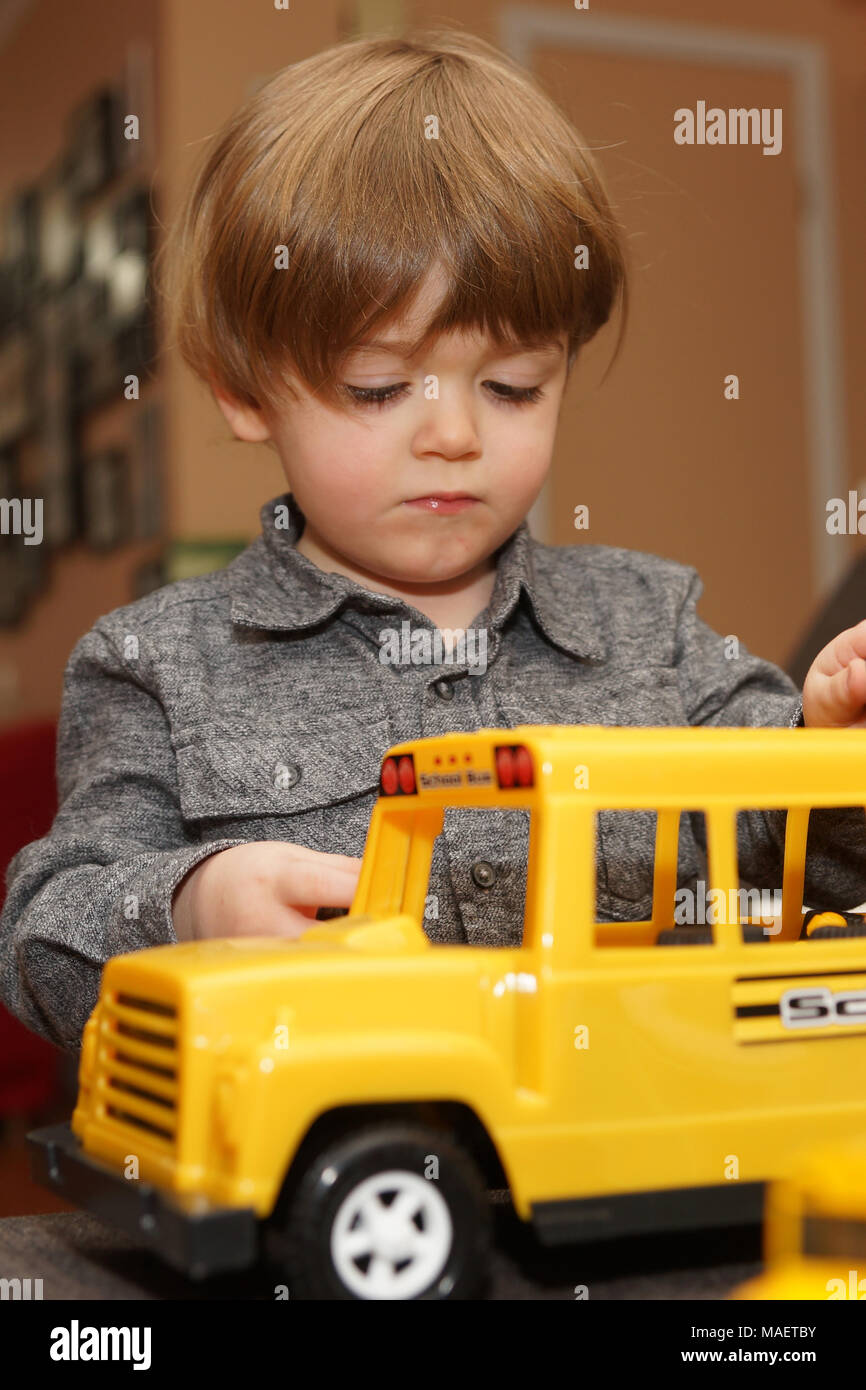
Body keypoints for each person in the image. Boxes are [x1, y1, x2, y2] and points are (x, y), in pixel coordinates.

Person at [2, 29, 865, 1052]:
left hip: (639, 1149)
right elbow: (40, 934)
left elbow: (798, 860)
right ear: (242, 389)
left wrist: (827, 748)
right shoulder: (154, 666)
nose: (454, 435)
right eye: (378, 387)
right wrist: (185, 907)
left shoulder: (652, 622)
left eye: (511, 387)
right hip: (345, 1182)